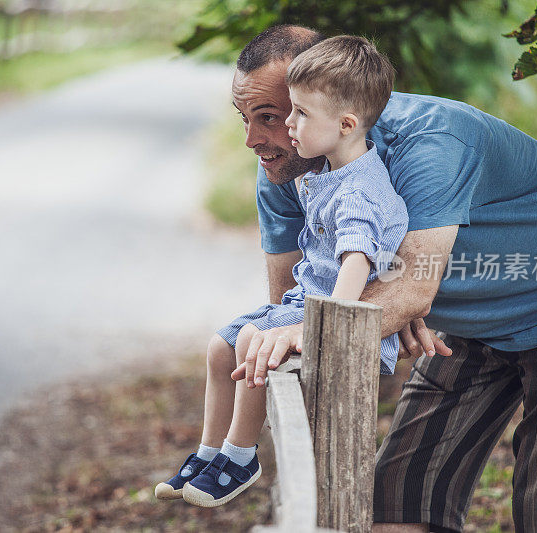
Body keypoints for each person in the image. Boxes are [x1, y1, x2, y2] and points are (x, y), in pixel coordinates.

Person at [230, 24, 537, 533]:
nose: (256, 139)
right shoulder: (287, 160)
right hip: (469, 322)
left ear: (338, 108)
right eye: (248, 119)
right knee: (396, 502)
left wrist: (391, 305)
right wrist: (381, 309)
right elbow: (297, 304)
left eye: (277, 115)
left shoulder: (431, 140)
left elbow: (405, 287)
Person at [154, 35, 407, 508]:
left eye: (295, 115)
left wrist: (322, 326)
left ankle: (240, 455)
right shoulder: (323, 172)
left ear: (345, 123)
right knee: (220, 346)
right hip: (303, 305)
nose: (287, 127)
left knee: (252, 341)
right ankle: (210, 452)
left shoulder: (360, 191)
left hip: (332, 319)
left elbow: (358, 260)